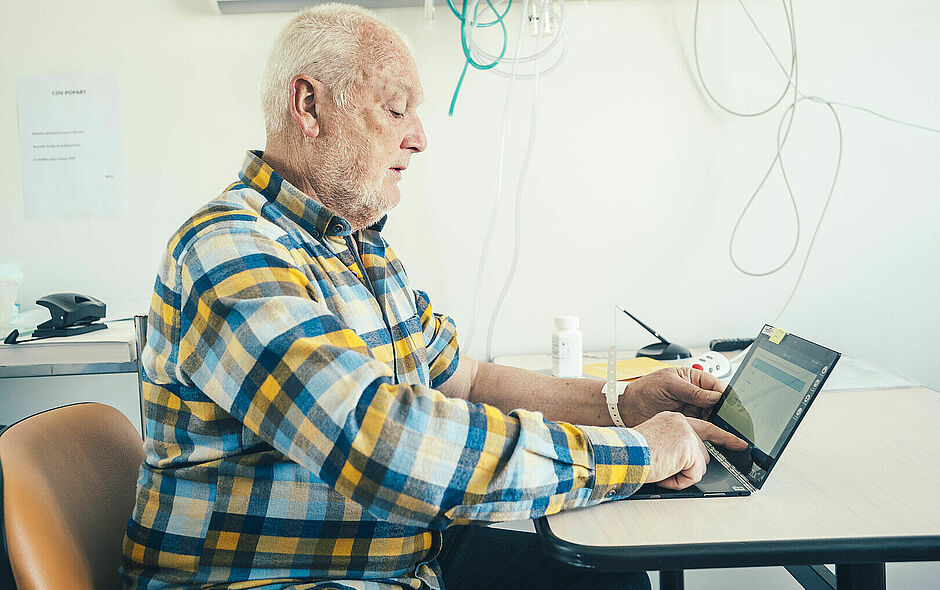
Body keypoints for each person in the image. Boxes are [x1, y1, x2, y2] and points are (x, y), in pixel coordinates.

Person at [121, 5, 746, 589]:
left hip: (402, 560)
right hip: (284, 578)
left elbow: (463, 379)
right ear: (308, 106)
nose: (420, 137)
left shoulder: (359, 248)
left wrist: (622, 405)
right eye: (396, 111)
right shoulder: (228, 252)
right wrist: (636, 454)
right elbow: (384, 443)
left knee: (611, 578)